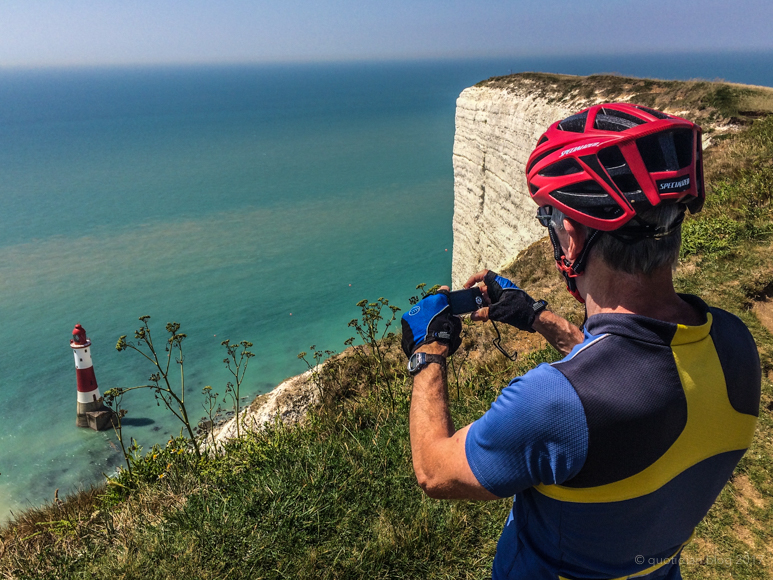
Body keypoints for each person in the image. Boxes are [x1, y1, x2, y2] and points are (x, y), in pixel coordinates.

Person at [400, 103, 761, 579]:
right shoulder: (736, 346)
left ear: (571, 235)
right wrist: (538, 318)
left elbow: (435, 470)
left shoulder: (550, 404)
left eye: (549, 218)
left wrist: (427, 353)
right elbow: (627, 377)